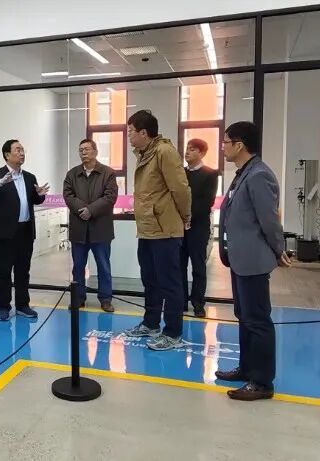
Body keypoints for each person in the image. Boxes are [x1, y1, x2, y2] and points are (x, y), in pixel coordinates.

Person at [216, 121, 290, 401]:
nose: (223, 147)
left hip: (253, 260)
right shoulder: (243, 173)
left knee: (258, 320)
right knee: (245, 317)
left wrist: (279, 249)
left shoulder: (259, 175)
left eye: (226, 142)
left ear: (240, 145)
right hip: (240, 259)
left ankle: (262, 382)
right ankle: (247, 368)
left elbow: (269, 220)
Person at [122, 110, 191, 351]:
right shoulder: (144, 154)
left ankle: (172, 332)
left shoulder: (164, 152)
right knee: (150, 280)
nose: (128, 136)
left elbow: (180, 189)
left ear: (143, 133)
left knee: (169, 283)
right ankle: (150, 323)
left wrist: (185, 217)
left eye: (130, 131)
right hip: (148, 229)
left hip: (165, 230)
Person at [0, 139, 50, 321]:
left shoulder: (29, 177)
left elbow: (34, 199)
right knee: (3, 271)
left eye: (23, 150)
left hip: (25, 230)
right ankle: (3, 307)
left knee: (23, 270)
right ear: (7, 154)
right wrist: (0, 183)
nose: (22, 153)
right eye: (18, 150)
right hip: (5, 232)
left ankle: (22, 305)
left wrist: (40, 195)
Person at [63, 139, 118, 312]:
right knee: (78, 267)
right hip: (79, 229)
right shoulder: (72, 174)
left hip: (100, 229)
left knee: (103, 266)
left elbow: (110, 197)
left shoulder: (108, 173)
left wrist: (91, 210)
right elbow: (68, 196)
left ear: (95, 151)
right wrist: (83, 209)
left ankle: (106, 299)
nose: (83, 152)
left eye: (87, 149)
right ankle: (78, 298)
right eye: (81, 150)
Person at [181, 138, 219, 318]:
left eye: (192, 149)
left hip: (198, 226)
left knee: (198, 266)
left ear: (202, 153)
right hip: (179, 227)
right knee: (179, 266)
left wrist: (189, 217)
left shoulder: (210, 174)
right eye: (187, 148)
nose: (187, 152)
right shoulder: (181, 173)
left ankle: (198, 303)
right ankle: (181, 301)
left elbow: (207, 201)